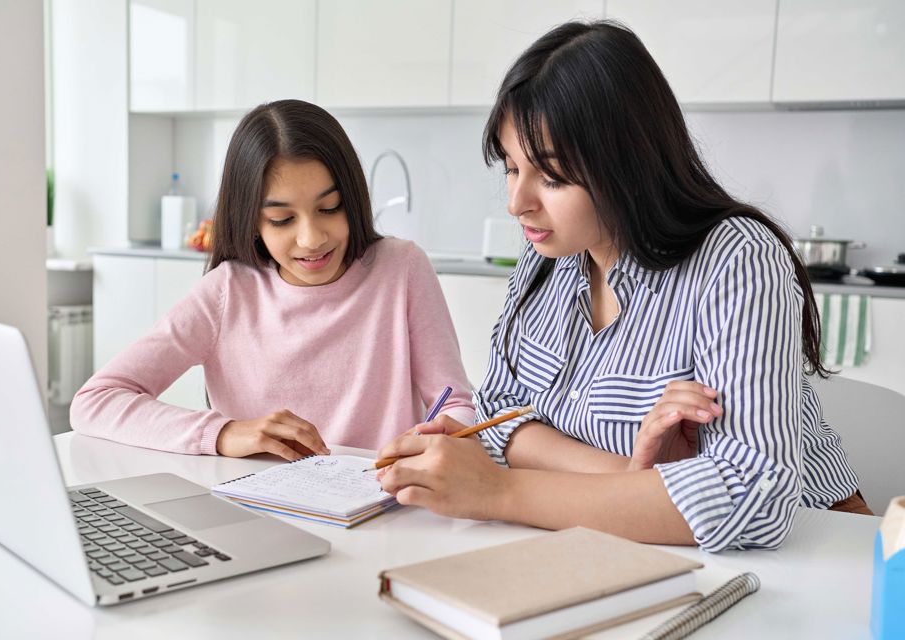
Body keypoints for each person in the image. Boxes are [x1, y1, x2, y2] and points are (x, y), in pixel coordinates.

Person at [376, 21, 870, 552]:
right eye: (512, 169)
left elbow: (753, 497)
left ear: (626, 164)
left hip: (814, 558)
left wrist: (500, 491)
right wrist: (630, 478)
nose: (517, 203)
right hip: (624, 546)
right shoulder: (551, 255)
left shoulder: (738, 261)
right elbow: (499, 420)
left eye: (552, 177)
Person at [71, 100, 473, 459]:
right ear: (252, 222)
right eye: (282, 219)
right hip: (255, 508)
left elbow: (454, 403)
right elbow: (95, 401)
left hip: (380, 507)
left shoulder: (401, 269)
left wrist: (449, 437)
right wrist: (224, 432)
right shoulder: (228, 291)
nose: (312, 238)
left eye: (330, 208)